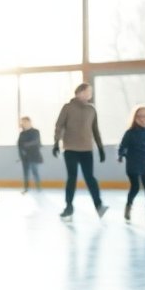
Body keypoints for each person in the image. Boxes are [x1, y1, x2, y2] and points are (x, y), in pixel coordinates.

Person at [53, 83, 108, 220]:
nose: (90, 94)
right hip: (70, 149)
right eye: (88, 91)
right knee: (72, 178)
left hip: (86, 150)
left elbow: (95, 130)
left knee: (90, 178)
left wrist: (100, 148)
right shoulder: (68, 107)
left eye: (90, 92)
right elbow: (59, 126)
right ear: (79, 92)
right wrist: (56, 142)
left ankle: (99, 205)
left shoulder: (91, 110)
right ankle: (69, 207)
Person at [17, 116, 43, 192]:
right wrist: (21, 155)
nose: (24, 124)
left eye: (25, 122)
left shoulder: (36, 131)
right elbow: (19, 145)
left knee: (35, 172)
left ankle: (38, 188)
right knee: (25, 173)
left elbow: (36, 142)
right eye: (23, 122)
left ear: (29, 122)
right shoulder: (22, 133)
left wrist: (25, 145)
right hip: (25, 157)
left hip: (34, 156)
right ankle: (26, 188)